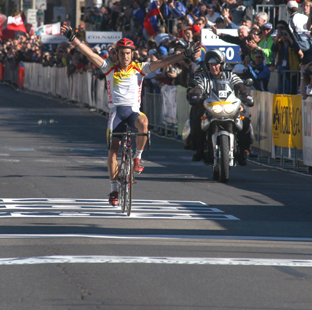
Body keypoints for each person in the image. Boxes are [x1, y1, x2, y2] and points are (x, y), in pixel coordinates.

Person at [60, 22, 199, 206]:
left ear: (132, 54)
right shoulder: (109, 67)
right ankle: (113, 190)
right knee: (113, 153)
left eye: (128, 53)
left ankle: (137, 157)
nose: (125, 56)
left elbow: (164, 62)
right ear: (116, 54)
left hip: (133, 112)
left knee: (144, 121)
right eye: (121, 53)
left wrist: (184, 55)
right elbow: (90, 54)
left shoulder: (140, 68)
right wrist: (73, 39)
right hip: (116, 113)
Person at [187, 49, 254, 166]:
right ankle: (200, 149)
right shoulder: (203, 77)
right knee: (197, 119)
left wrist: (245, 94)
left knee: (246, 119)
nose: (213, 67)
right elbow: (197, 86)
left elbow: (240, 86)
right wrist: (195, 93)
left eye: (216, 64)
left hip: (230, 108)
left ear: (221, 64)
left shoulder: (230, 75)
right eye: (211, 65)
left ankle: (244, 150)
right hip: (209, 108)